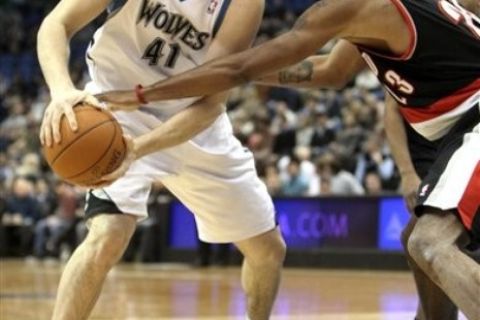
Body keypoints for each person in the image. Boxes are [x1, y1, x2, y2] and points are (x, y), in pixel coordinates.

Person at [96, 0, 480, 319]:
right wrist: (245, 74)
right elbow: (331, 71)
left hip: (472, 122)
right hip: (458, 129)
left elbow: (238, 67)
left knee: (431, 244)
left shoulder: (354, 5)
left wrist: (145, 94)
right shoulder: (370, 12)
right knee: (417, 239)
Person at [37, 0, 286, 319]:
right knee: (108, 233)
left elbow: (211, 104)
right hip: (116, 110)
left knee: (268, 251)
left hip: (194, 122)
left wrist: (138, 149)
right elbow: (57, 23)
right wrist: (61, 91)